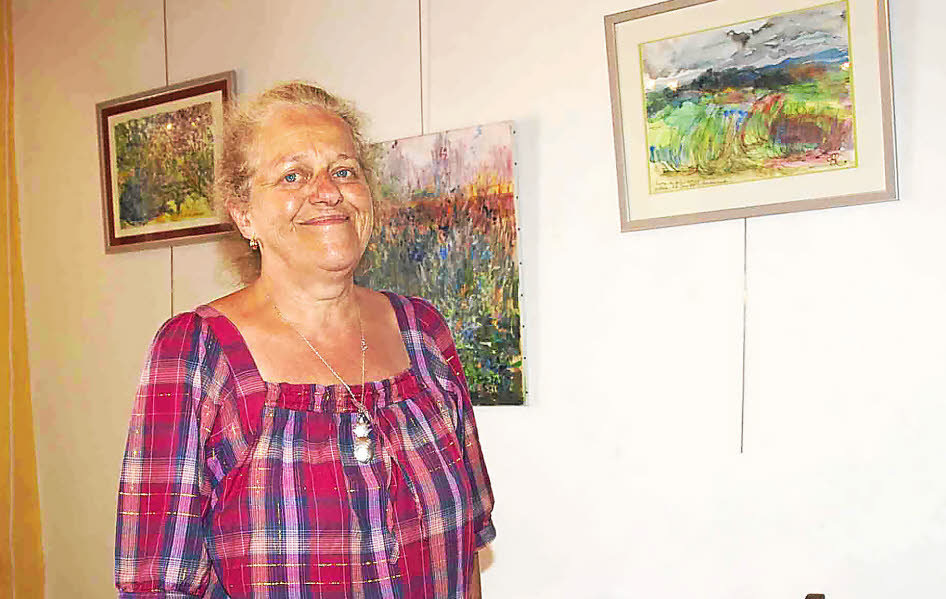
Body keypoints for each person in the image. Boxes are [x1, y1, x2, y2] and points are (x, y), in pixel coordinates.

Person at [115, 82, 495, 598]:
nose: (328, 191)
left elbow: (467, 549)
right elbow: (157, 584)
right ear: (244, 214)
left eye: (344, 171)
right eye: (292, 175)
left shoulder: (423, 333)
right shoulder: (196, 353)